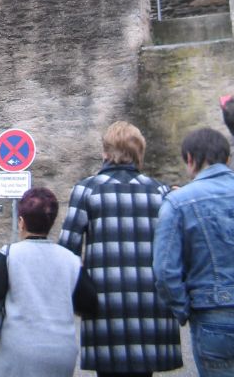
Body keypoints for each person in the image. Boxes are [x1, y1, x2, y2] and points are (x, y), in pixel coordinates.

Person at [59, 121, 182, 377]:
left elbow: (67, 252)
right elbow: (173, 250)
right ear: (139, 152)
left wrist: (75, 298)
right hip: (151, 305)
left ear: (105, 152)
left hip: (104, 305)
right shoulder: (160, 192)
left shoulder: (87, 190)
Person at [0, 186, 98, 377]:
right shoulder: (70, 260)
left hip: (18, 350)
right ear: (52, 222)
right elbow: (90, 303)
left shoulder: (10, 255)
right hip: (61, 352)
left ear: (21, 222)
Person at [153, 126, 234, 377]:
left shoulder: (178, 202)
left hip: (212, 316)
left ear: (190, 159)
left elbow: (164, 271)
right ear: (228, 159)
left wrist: (184, 309)